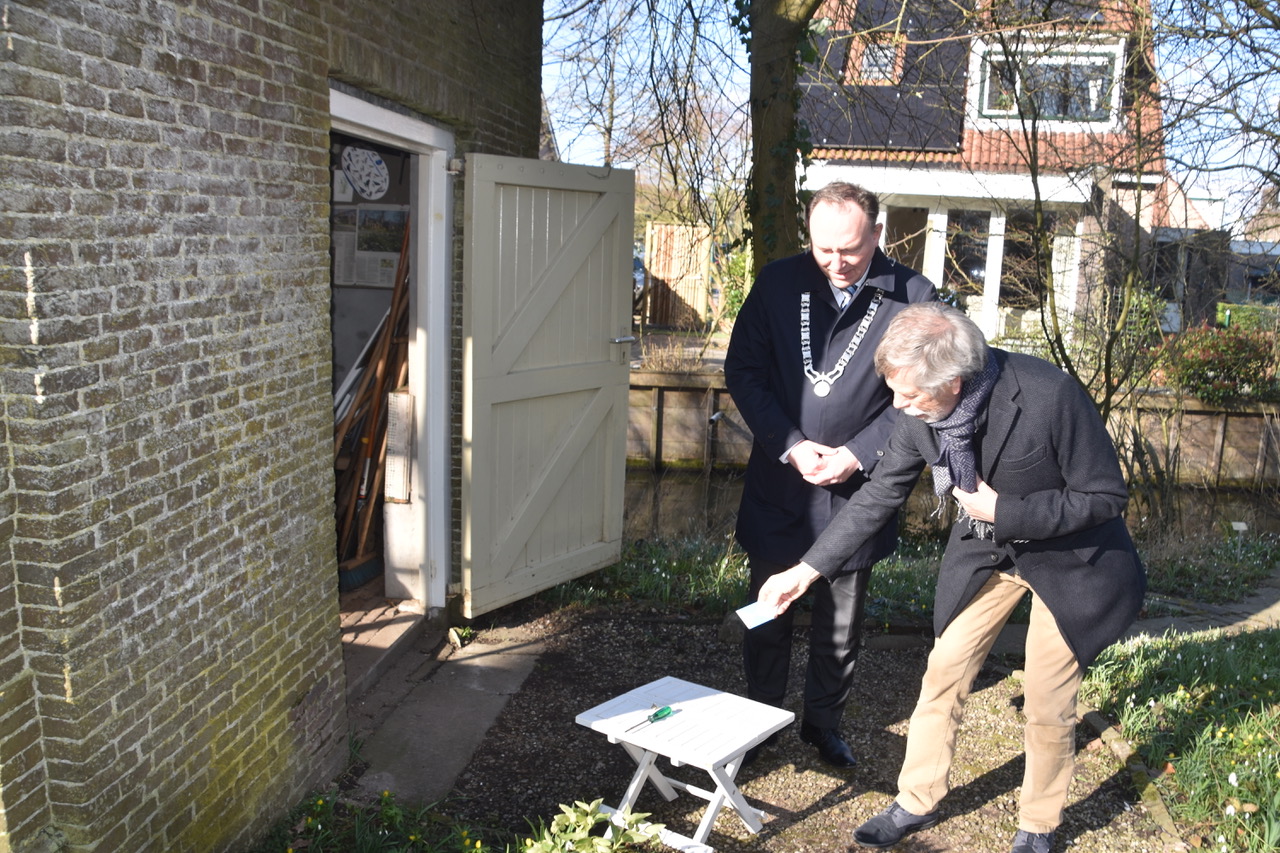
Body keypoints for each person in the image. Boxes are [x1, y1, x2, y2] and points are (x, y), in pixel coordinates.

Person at [757, 303, 1146, 853]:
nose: (898, 406)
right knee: (943, 672)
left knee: (1046, 699)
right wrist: (806, 571)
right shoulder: (920, 411)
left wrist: (1005, 511)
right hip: (988, 551)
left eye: (910, 395)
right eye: (894, 392)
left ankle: (1038, 825)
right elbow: (879, 495)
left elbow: (1105, 497)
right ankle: (917, 800)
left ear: (954, 382)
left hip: (1072, 560)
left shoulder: (1050, 394)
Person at [724, 182, 937, 768]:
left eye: (851, 250)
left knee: (840, 626)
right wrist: (790, 445)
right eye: (824, 250)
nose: (837, 263)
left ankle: (823, 723)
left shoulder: (914, 297)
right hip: (781, 483)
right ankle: (760, 720)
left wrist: (859, 453)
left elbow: (925, 394)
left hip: (857, 494)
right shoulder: (777, 283)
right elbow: (743, 371)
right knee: (768, 613)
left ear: (878, 234)